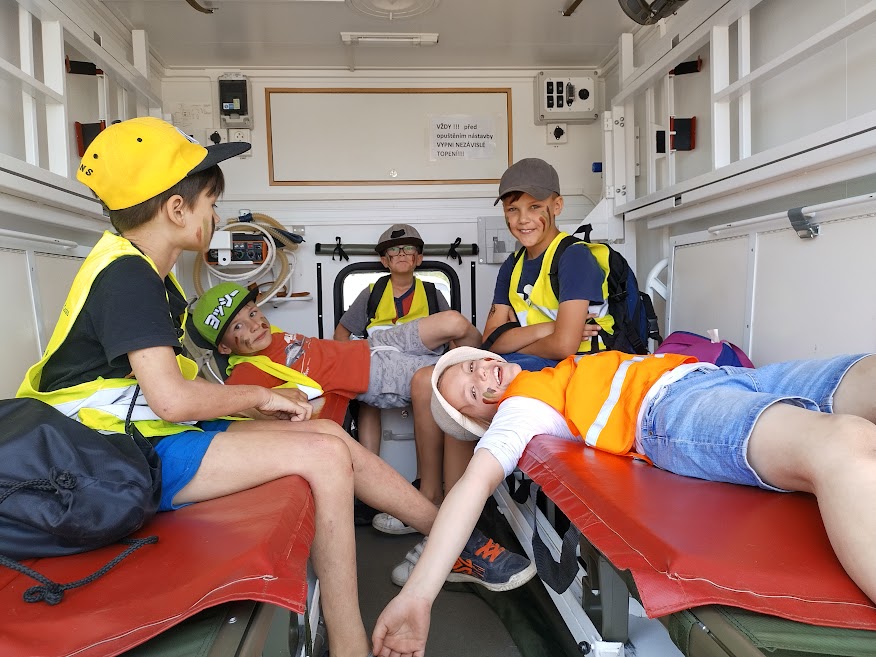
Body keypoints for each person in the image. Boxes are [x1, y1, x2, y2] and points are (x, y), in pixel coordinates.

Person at [12, 117, 524, 657]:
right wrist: (258, 396)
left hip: (136, 435)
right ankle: (353, 643)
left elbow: (166, 391)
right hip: (105, 458)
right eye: (210, 204)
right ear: (177, 209)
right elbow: (172, 399)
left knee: (332, 437)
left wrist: (255, 410)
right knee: (325, 455)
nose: (214, 217)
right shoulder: (128, 278)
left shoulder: (145, 274)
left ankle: (454, 543)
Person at [371, 346, 876, 656]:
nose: (482, 377)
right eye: (470, 392)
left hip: (719, 375)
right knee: (843, 443)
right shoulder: (519, 411)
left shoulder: (546, 372)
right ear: (481, 419)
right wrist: (418, 595)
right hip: (672, 407)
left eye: (472, 367)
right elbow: (473, 485)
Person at [387, 158, 603, 575]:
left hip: (569, 372)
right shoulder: (513, 266)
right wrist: (547, 326)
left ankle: (457, 533)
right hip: (526, 363)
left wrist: (525, 335)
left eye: (535, 207)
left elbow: (564, 347)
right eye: (512, 209)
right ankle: (434, 503)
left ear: (557, 206)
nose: (522, 219)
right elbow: (492, 341)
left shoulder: (573, 258)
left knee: (457, 399)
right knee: (431, 382)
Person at [333, 224, 448, 471]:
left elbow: (450, 333)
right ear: (385, 261)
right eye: (394, 250)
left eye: (408, 249)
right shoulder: (371, 293)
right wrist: (348, 368)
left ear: (419, 258)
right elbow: (341, 335)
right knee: (364, 394)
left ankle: (427, 476)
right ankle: (368, 472)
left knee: (431, 394)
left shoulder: (432, 294)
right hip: (380, 360)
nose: (402, 254)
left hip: (419, 363)